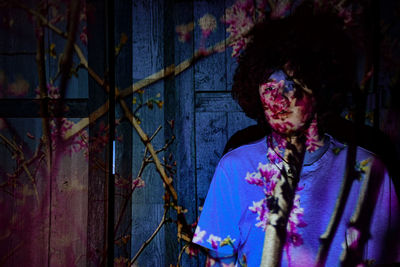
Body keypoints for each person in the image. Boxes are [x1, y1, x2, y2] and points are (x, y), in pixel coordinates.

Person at [192, 4, 399, 267]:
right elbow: (218, 263)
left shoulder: (369, 171)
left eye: (291, 84)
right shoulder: (234, 169)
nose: (279, 99)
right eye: (268, 87)